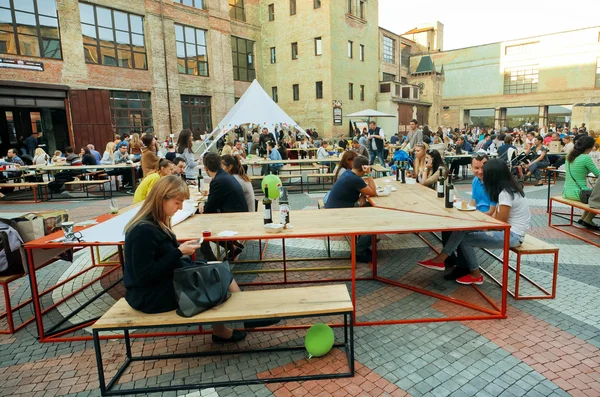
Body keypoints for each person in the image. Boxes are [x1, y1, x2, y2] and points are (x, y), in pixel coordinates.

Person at [124, 176, 247, 343]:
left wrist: (179, 251)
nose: (180, 207)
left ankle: (238, 320)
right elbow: (143, 275)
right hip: (149, 297)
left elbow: (160, 258)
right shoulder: (143, 231)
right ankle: (237, 321)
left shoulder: (153, 224)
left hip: (156, 288)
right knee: (212, 278)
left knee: (215, 267)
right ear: (162, 198)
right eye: (177, 202)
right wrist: (178, 252)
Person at [418, 159, 530, 285]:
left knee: (465, 238)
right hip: (511, 232)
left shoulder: (505, 194)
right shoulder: (508, 188)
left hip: (513, 236)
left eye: (486, 172)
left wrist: (481, 225)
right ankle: (442, 259)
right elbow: (498, 218)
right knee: (463, 229)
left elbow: (500, 225)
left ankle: (474, 274)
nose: (483, 174)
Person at [443, 154, 497, 280]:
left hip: (487, 218)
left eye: (483, 167)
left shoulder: (493, 183)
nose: (480, 171)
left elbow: (492, 212)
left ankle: (462, 267)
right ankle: (450, 259)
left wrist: (476, 218)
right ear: (471, 168)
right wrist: (467, 211)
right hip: (477, 215)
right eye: (476, 168)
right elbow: (473, 202)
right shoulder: (475, 181)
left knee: (464, 231)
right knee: (448, 226)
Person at [325, 155, 377, 263]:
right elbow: (373, 192)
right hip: (339, 213)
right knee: (374, 221)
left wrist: (363, 195)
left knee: (368, 208)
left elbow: (363, 190)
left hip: (334, 209)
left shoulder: (348, 173)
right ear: (364, 167)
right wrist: (369, 174)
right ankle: (358, 252)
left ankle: (363, 243)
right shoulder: (355, 179)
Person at [200, 152, 248, 261]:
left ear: (205, 168)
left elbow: (209, 208)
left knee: (202, 225)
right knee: (205, 221)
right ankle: (232, 246)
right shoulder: (224, 176)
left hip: (234, 218)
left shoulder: (217, 180)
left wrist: (202, 204)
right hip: (240, 214)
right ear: (220, 164)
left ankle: (210, 259)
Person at [563, 136, 600, 229]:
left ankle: (583, 218)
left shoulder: (569, 156)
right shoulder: (585, 158)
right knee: (596, 198)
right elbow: (598, 173)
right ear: (589, 147)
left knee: (592, 195)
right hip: (579, 193)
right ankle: (588, 220)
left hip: (566, 192)